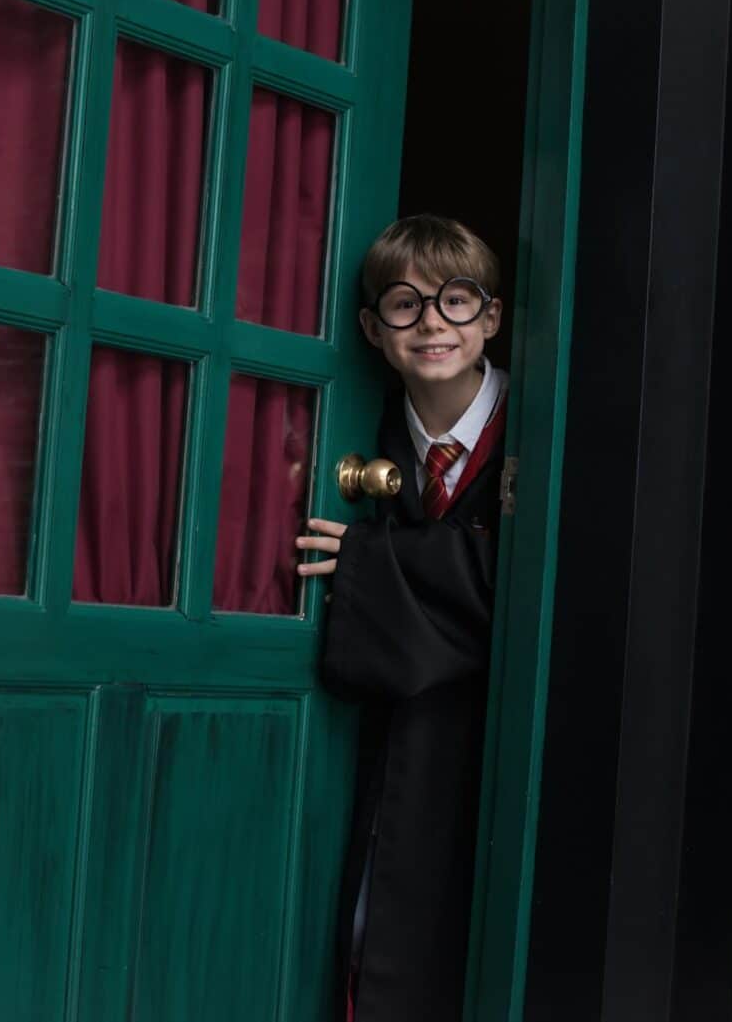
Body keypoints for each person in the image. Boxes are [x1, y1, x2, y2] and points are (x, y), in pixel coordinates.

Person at [295, 214, 509, 1022]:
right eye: (404, 303)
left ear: (491, 317)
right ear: (371, 329)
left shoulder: (542, 435)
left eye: (457, 301)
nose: (432, 323)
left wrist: (370, 563)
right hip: (388, 748)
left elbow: (517, 587)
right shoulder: (358, 440)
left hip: (492, 750)